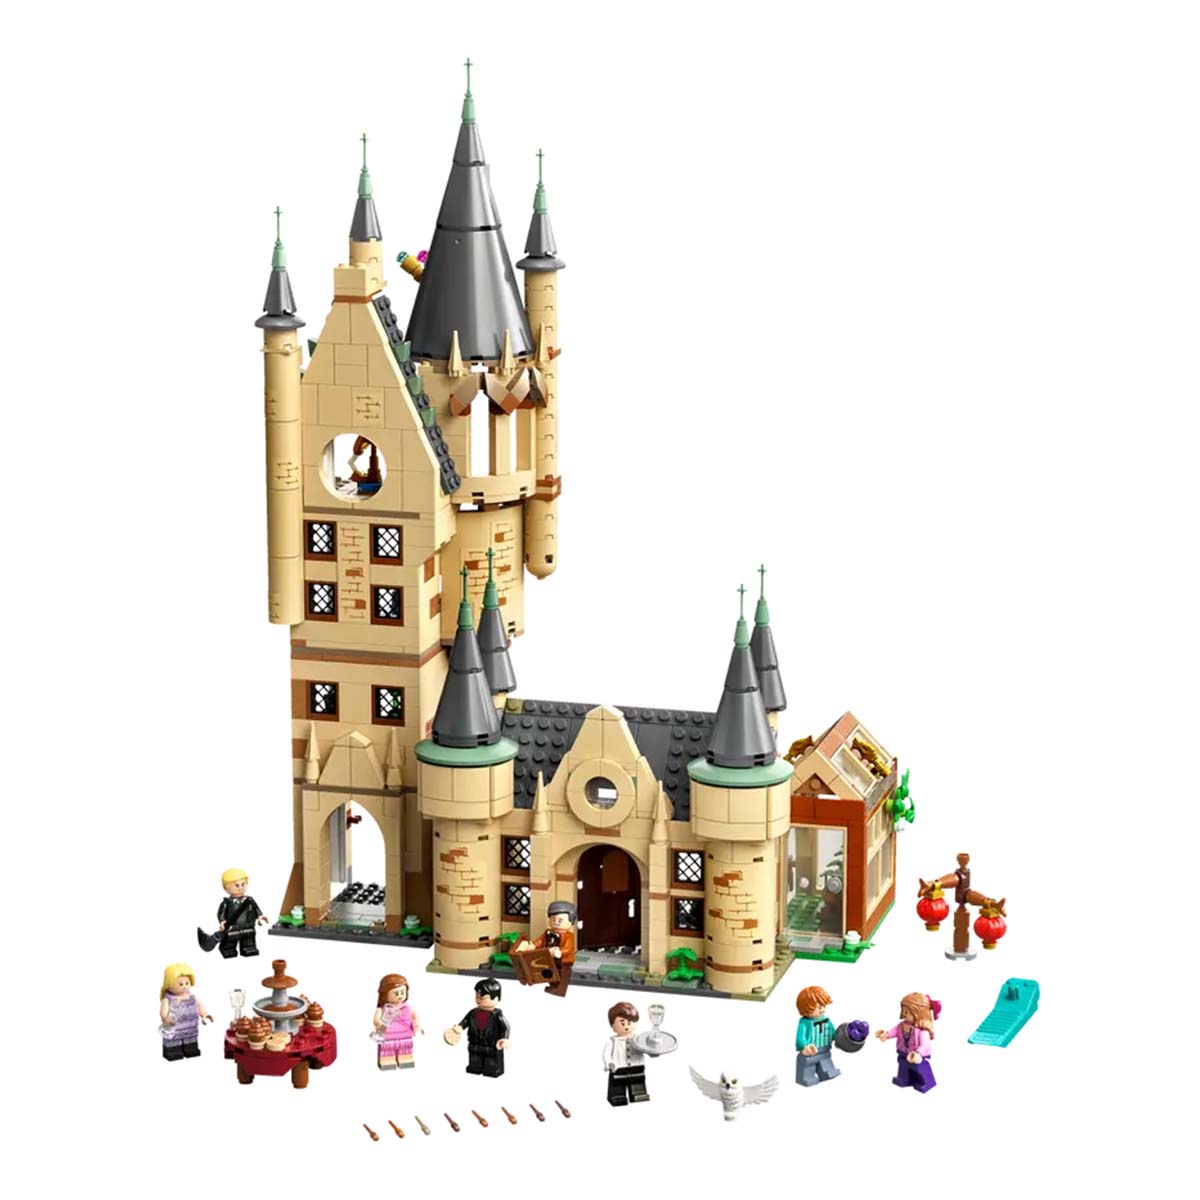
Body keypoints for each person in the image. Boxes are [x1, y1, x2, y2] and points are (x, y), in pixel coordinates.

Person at [443, 978, 510, 1077]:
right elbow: (465, 1021)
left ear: (496, 998)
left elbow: (505, 1027)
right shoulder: (473, 1013)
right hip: (474, 1043)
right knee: (475, 1058)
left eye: (483, 997)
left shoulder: (497, 1016)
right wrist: (459, 1028)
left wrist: (505, 1038)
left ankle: (492, 1068)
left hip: (491, 1045)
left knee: (491, 1060)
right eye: (477, 996)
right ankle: (475, 1067)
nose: (479, 999)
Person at [876, 992, 940, 1093]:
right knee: (902, 1064)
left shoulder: (923, 1031)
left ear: (919, 1013)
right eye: (903, 1011)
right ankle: (903, 1079)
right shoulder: (901, 1025)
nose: (904, 1014)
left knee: (920, 1067)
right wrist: (886, 1034)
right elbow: (894, 1032)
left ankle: (927, 1082)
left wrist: (918, 1053)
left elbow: (925, 1045)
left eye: (907, 1012)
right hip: (903, 1052)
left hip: (915, 1056)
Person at [159, 963, 211, 1061]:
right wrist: (165, 1019)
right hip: (174, 1028)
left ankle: (191, 1048)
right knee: (173, 1042)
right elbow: (163, 1013)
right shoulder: (168, 999)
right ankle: (172, 1051)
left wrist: (205, 1014)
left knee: (191, 1040)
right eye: (180, 984)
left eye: (187, 983)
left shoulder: (193, 997)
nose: (184, 986)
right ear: (168, 985)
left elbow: (200, 1007)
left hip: (191, 1028)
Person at [214, 868, 268, 958]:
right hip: (232, 927)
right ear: (226, 888)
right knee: (230, 938)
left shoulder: (249, 900)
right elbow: (221, 913)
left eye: (243, 884)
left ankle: (248, 948)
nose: (241, 888)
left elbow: (256, 908)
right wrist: (222, 921)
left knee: (248, 937)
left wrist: (260, 916)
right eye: (237, 885)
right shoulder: (226, 903)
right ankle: (228, 949)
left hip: (248, 925)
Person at [602, 1001, 649, 1105]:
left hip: (637, 1067)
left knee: (638, 1081)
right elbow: (606, 1054)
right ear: (613, 1026)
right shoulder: (613, 1042)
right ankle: (618, 1097)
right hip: (619, 1068)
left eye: (629, 1022)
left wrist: (651, 1051)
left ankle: (638, 1094)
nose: (626, 1026)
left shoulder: (638, 1039)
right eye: (622, 1023)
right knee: (617, 1084)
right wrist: (609, 1063)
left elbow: (645, 1048)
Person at [527, 900, 577, 996]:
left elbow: (568, 948)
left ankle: (560, 989)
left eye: (560, 921)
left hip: (563, 961)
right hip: (549, 958)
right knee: (551, 972)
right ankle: (552, 985)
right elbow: (540, 941)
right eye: (553, 920)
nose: (556, 923)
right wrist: (534, 945)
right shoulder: (548, 932)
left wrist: (560, 952)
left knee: (562, 975)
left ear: (571, 922)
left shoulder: (568, 936)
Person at [794, 984, 841, 1086]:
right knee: (808, 1065)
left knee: (825, 1061)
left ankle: (827, 1072)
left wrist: (840, 1037)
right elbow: (800, 1037)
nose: (822, 1009)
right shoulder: (804, 1023)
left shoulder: (826, 1020)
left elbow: (833, 1033)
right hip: (811, 1051)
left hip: (825, 1050)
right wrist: (805, 1046)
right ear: (806, 1009)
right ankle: (807, 1077)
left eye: (823, 1006)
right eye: (819, 1007)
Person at [374, 974, 421, 1070]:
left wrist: (417, 1027)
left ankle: (406, 1060)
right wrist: (378, 1024)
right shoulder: (383, 1009)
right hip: (388, 1035)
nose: (400, 996)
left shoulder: (407, 1007)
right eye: (396, 993)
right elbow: (376, 1020)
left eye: (402, 992)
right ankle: (387, 1061)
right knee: (387, 1049)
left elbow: (415, 1017)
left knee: (405, 1048)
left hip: (405, 1035)